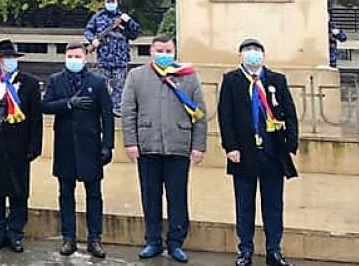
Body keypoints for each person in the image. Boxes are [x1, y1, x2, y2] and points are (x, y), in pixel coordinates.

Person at [122, 37, 207, 263]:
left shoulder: (188, 76)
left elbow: (200, 114)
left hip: (178, 145)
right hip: (148, 145)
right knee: (150, 196)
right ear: (151, 51)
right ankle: (153, 241)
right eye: (160, 50)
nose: (164, 54)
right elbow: (128, 112)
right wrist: (130, 142)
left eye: (168, 50)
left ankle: (176, 242)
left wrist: (198, 146)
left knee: (177, 197)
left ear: (175, 51)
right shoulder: (137, 76)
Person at [218, 39, 299, 266]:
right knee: (244, 204)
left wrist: (290, 144)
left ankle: (274, 250)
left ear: (263, 55)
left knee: (273, 204)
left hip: (273, 152)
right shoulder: (231, 80)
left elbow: (290, 113)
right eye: (247, 50)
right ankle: (245, 250)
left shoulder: (276, 80)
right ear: (240, 55)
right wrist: (230, 147)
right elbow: (225, 116)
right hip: (244, 153)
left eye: (256, 50)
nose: (252, 54)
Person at [42, 41, 114, 258]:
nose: (74, 60)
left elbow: (107, 115)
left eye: (77, 56)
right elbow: (44, 106)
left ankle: (95, 239)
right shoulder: (56, 80)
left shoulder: (97, 82)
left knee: (94, 194)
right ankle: (68, 238)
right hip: (65, 147)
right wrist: (68, 103)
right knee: (66, 194)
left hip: (90, 146)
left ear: (85, 58)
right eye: (70, 56)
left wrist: (107, 144)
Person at [0, 40, 42, 253]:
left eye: (13, 58)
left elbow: (36, 119)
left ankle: (15, 233)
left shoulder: (29, 83)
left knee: (19, 192)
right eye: (6, 58)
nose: (10, 61)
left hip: (19, 146)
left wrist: (34, 146)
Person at [84, 0, 141, 114]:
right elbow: (88, 30)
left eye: (113, 1)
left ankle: (116, 108)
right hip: (104, 57)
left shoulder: (123, 17)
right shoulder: (98, 17)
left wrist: (129, 21)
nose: (111, 4)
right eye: (108, 1)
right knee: (102, 85)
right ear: (104, 3)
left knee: (119, 85)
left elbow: (135, 33)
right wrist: (92, 40)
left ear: (117, 2)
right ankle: (104, 107)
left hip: (120, 58)